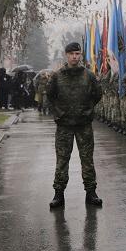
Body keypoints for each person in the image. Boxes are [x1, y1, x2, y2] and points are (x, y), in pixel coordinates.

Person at [46, 41, 104, 209]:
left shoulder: (88, 75)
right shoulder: (57, 76)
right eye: (71, 54)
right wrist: (58, 114)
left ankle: (91, 192)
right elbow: (50, 96)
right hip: (64, 125)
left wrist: (88, 110)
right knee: (62, 160)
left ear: (80, 55)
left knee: (87, 159)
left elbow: (97, 94)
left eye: (77, 54)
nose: (74, 56)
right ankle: (58, 194)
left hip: (83, 124)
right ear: (67, 55)